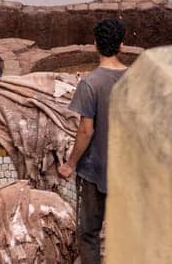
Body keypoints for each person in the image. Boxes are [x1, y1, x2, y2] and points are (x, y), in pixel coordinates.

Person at [60, 18, 129, 264]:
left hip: (94, 170)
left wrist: (69, 164)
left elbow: (86, 131)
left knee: (89, 232)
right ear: (122, 46)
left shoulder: (90, 84)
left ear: (95, 44)